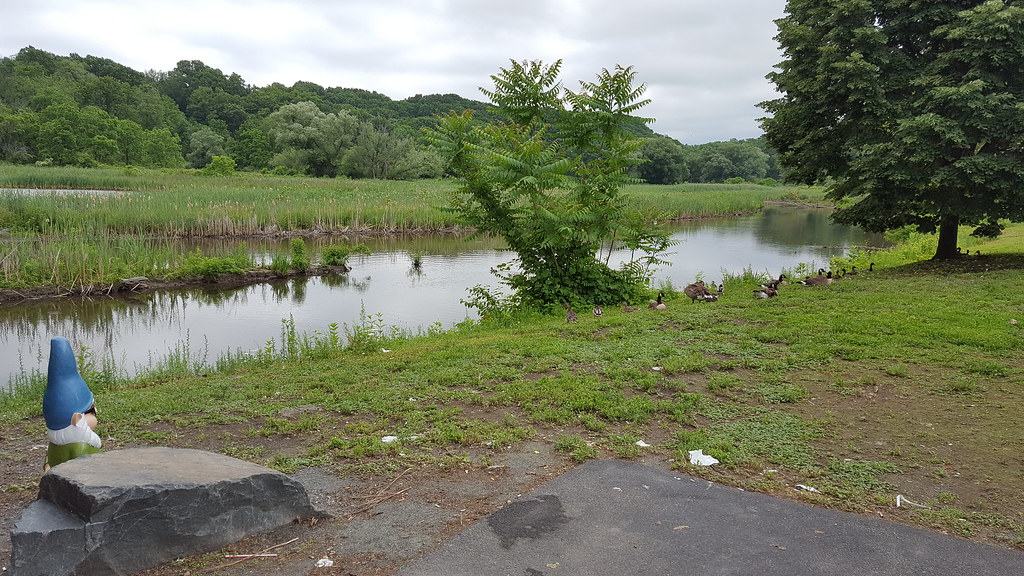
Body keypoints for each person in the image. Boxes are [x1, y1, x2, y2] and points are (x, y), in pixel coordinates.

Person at [42, 336, 101, 472]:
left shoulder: (55, 444)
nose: (96, 414)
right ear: (77, 419)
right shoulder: (81, 446)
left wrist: (48, 466)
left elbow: (49, 459)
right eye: (92, 411)